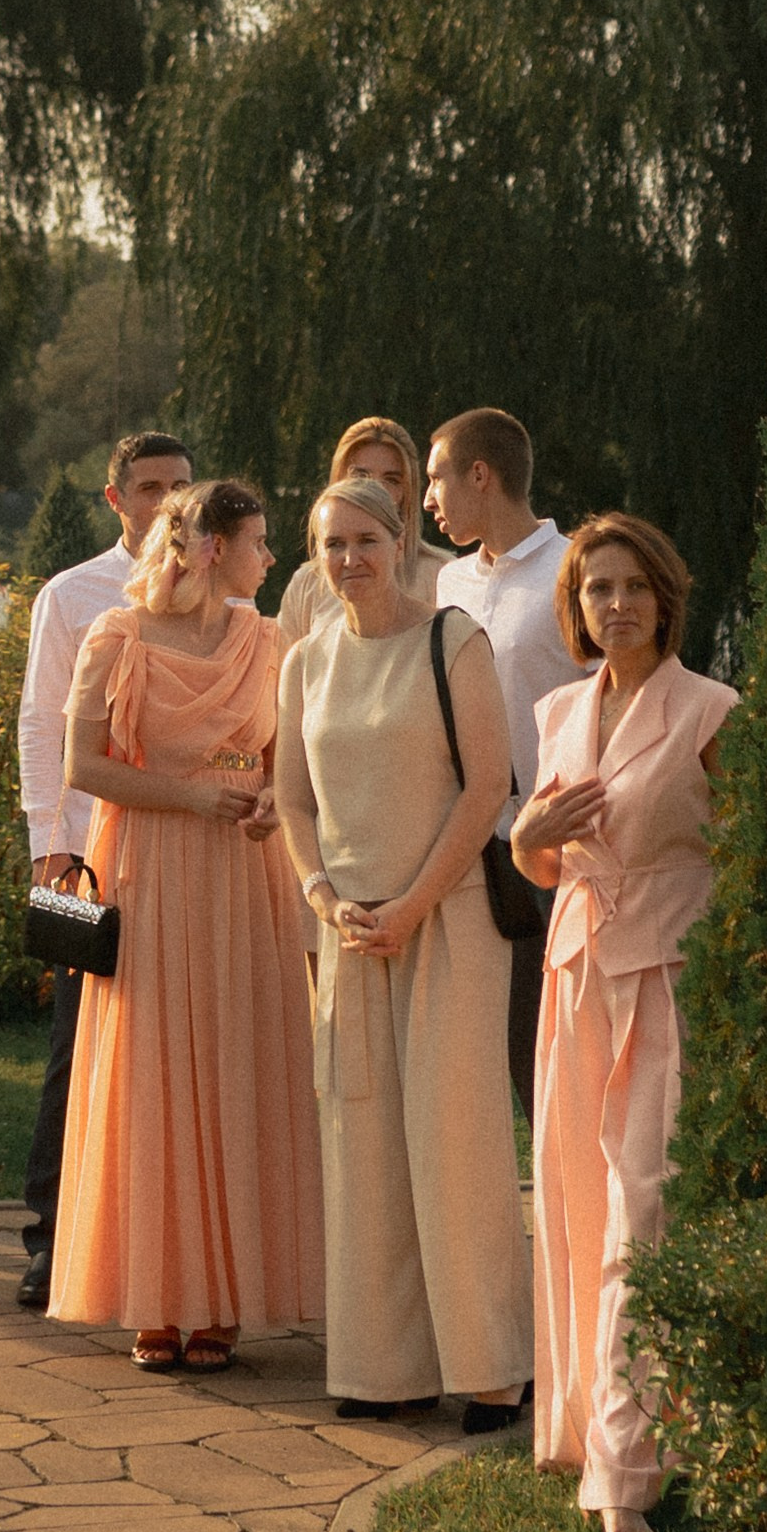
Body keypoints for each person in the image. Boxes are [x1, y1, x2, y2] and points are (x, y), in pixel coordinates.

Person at [278, 473, 531, 1427]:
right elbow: (294, 801)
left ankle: (493, 1367)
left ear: (399, 544)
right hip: (348, 931)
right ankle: (386, 1368)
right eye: (330, 543)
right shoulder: (302, 659)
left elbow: (484, 789)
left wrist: (413, 904)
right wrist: (324, 897)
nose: (348, 559)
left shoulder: (450, 639)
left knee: (456, 1145)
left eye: (364, 540)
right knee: (365, 1149)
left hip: (448, 919)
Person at [52, 476, 320, 1370]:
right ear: (210, 548)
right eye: (257, 541)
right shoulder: (115, 636)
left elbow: (286, 762)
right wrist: (191, 796)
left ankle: (227, 1299)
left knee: (237, 1068)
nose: (271, 557)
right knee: (154, 1071)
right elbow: (83, 764)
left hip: (245, 877)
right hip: (151, 872)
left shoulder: (272, 639)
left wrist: (269, 804)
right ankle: (160, 1296)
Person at [513, 514, 733, 1532]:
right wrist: (524, 842)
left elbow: (750, 852)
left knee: (645, 1211)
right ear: (577, 605)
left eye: (634, 584)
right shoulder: (559, 709)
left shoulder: (710, 709)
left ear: (667, 593)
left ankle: (627, 1474)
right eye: (598, 588)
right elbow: (546, 857)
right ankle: (580, 1431)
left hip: (670, 976)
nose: (617, 604)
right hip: (575, 974)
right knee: (574, 1203)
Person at [14, 429, 192, 1310]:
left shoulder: (217, 595)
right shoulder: (72, 593)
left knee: (171, 1053)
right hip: (90, 859)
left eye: (181, 485)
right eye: (150, 486)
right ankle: (50, 1245)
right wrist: (48, 843)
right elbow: (43, 722)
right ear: (115, 497)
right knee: (74, 1047)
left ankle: (159, 1249)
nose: (167, 501)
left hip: (188, 859)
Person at [426, 407, 581, 1121]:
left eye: (436, 477)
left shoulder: (575, 569)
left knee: (561, 1046)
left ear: (479, 474)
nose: (428, 498)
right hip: (469, 845)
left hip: (561, 847)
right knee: (493, 1053)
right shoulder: (449, 584)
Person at [278, 418, 445, 641]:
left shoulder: (442, 575)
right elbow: (285, 671)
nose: (375, 488)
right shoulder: (308, 584)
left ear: (408, 492)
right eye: (360, 476)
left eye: (391, 479)